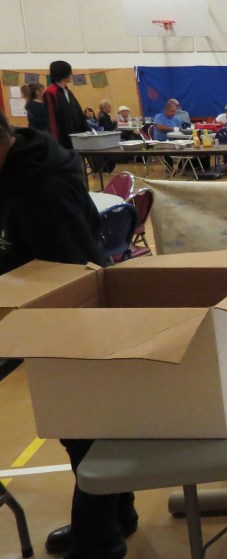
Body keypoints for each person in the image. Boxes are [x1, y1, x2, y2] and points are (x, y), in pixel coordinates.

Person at [0, 111, 138, 559]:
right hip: (57, 312)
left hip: (70, 317)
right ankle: (118, 517)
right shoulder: (28, 161)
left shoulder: (41, 187)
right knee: (87, 426)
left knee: (84, 430)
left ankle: (99, 541)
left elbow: (71, 271)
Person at [42, 60, 86, 150]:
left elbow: (79, 114)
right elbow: (51, 119)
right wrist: (55, 143)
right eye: (69, 72)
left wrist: (86, 132)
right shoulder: (50, 92)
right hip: (62, 140)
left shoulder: (68, 92)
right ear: (63, 73)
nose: (71, 75)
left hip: (75, 137)